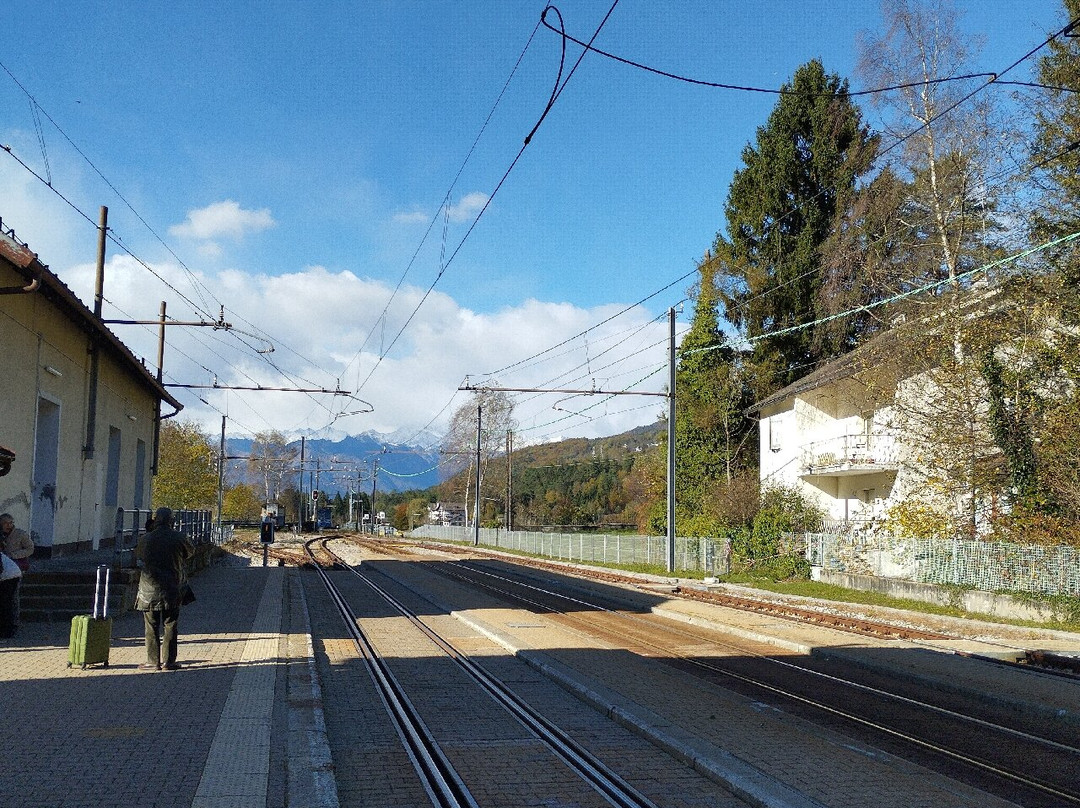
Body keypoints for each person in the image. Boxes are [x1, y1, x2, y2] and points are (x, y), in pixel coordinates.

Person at [134, 507, 193, 671]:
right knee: (170, 625)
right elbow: (190, 552)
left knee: (151, 626)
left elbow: (138, 555)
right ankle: (169, 661)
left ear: (156, 520)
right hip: (172, 588)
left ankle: (153, 661)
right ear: (171, 521)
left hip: (148, 590)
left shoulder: (145, 539)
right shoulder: (179, 538)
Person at [0, 550, 22, 638]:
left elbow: (0, 569)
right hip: (9, 574)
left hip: (9, 576)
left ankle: (7, 631)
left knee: (5, 604)